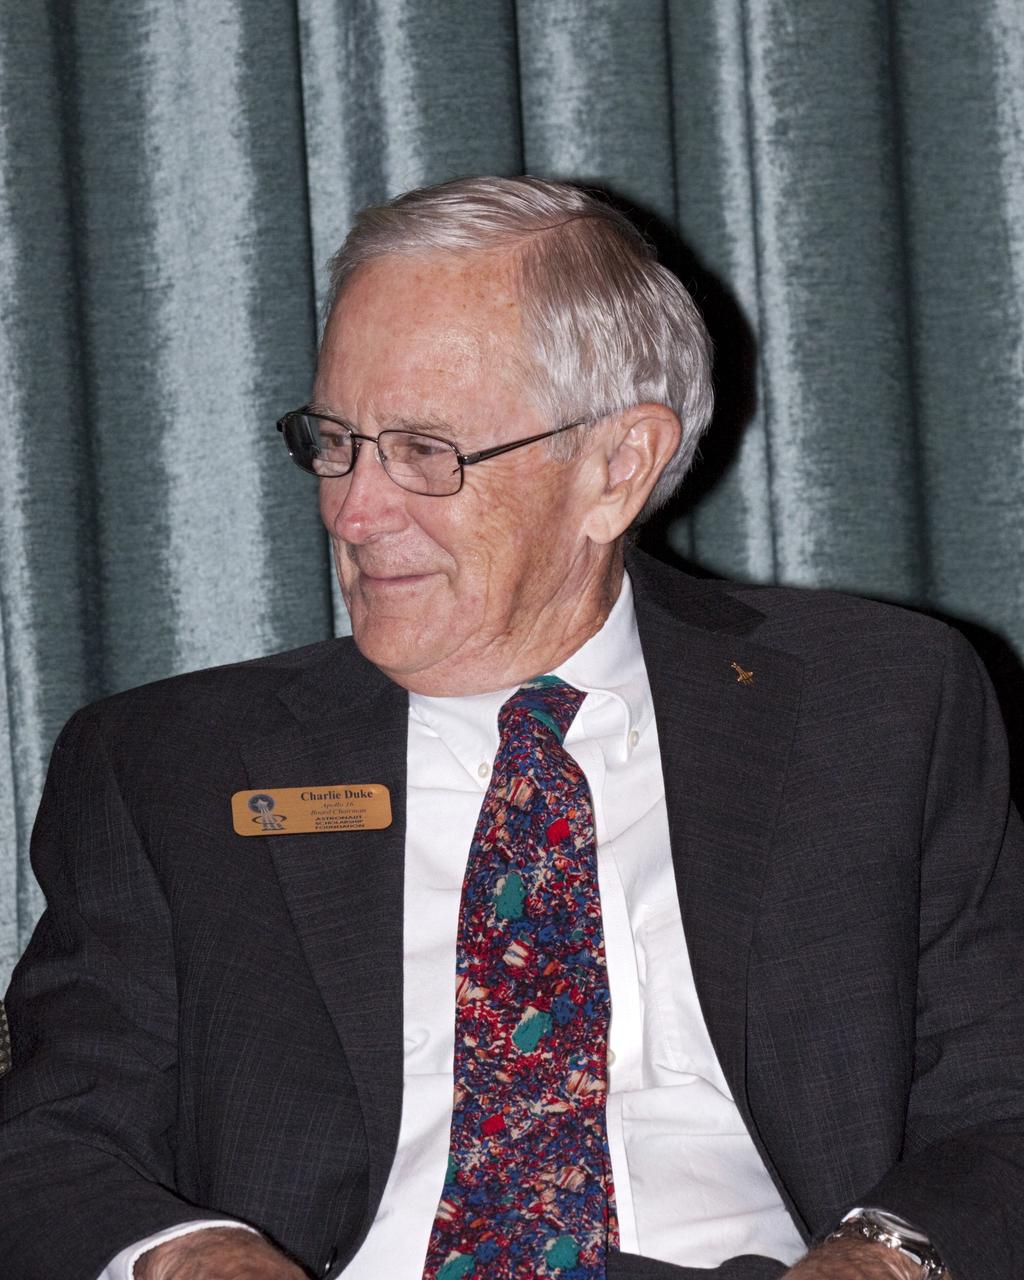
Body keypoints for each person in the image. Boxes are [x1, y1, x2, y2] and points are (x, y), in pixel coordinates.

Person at [1, 176, 1021, 1280]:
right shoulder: (172, 762)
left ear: (616, 468)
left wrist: (879, 1258)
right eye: (334, 439)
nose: (353, 508)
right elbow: (51, 1136)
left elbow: (1001, 1090)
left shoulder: (872, 704)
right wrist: (190, 1254)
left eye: (425, 451)